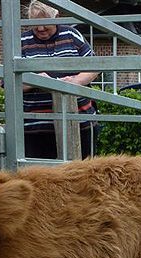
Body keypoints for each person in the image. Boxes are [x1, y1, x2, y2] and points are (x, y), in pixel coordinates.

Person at [21, 0, 100, 159]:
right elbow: (8, 81)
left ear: (57, 17)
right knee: (41, 177)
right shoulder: (21, 42)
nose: (40, 29)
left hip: (79, 121)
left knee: (83, 172)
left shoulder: (71, 34)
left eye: (45, 23)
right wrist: (34, 80)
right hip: (36, 126)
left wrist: (75, 81)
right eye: (35, 24)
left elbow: (94, 66)